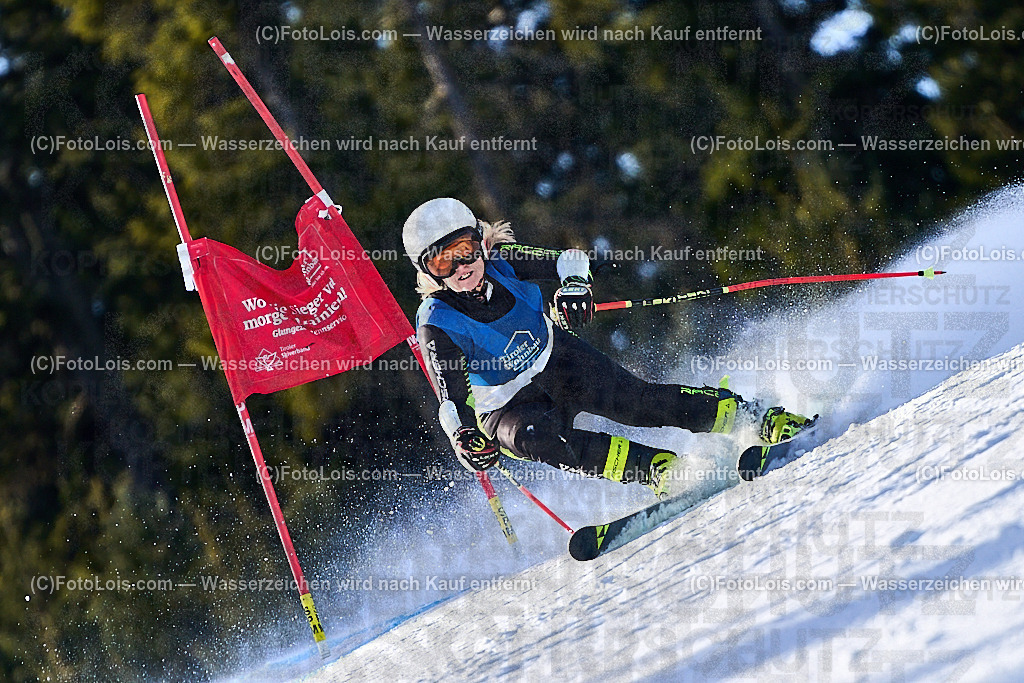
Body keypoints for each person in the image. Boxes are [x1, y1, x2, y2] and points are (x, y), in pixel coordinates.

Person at [405, 198, 813, 496]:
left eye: (465, 251)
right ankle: (658, 470)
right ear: (428, 270)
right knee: (543, 441)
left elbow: (568, 260)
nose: (461, 268)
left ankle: (752, 418)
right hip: (507, 404)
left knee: (637, 403)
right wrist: (463, 439)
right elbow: (451, 399)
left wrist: (575, 285)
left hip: (557, 360)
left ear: (479, 242)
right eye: (443, 263)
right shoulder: (436, 321)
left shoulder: (504, 261)